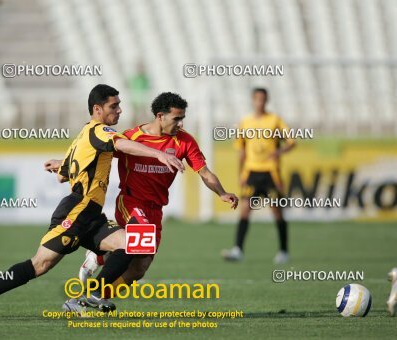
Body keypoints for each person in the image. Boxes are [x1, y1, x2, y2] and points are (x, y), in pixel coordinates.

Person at [0, 84, 184, 318]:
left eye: (119, 105)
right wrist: (158, 153)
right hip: (76, 211)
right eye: (114, 105)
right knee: (41, 264)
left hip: (90, 214)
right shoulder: (101, 131)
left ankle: (87, 297)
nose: (119, 110)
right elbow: (122, 144)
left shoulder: (85, 133)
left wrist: (61, 164)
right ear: (97, 109)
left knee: (132, 242)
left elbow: (64, 174)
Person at [60, 92, 238, 310]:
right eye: (176, 118)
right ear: (160, 116)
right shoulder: (132, 137)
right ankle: (97, 283)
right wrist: (63, 163)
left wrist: (221, 193)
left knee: (139, 268)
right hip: (131, 202)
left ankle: (85, 298)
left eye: (182, 118)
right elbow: (95, 152)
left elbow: (205, 172)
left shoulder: (184, 141)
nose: (180, 123)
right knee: (139, 241)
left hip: (156, 209)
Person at [221, 88, 295, 264]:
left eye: (263, 99)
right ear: (253, 100)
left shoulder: (275, 120)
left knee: (277, 212)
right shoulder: (245, 122)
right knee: (245, 210)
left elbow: (292, 142)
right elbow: (241, 150)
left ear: (266, 100)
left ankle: (284, 251)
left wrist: (278, 151)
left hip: (271, 173)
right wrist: (240, 174)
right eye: (257, 99)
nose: (260, 102)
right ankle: (238, 249)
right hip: (251, 173)